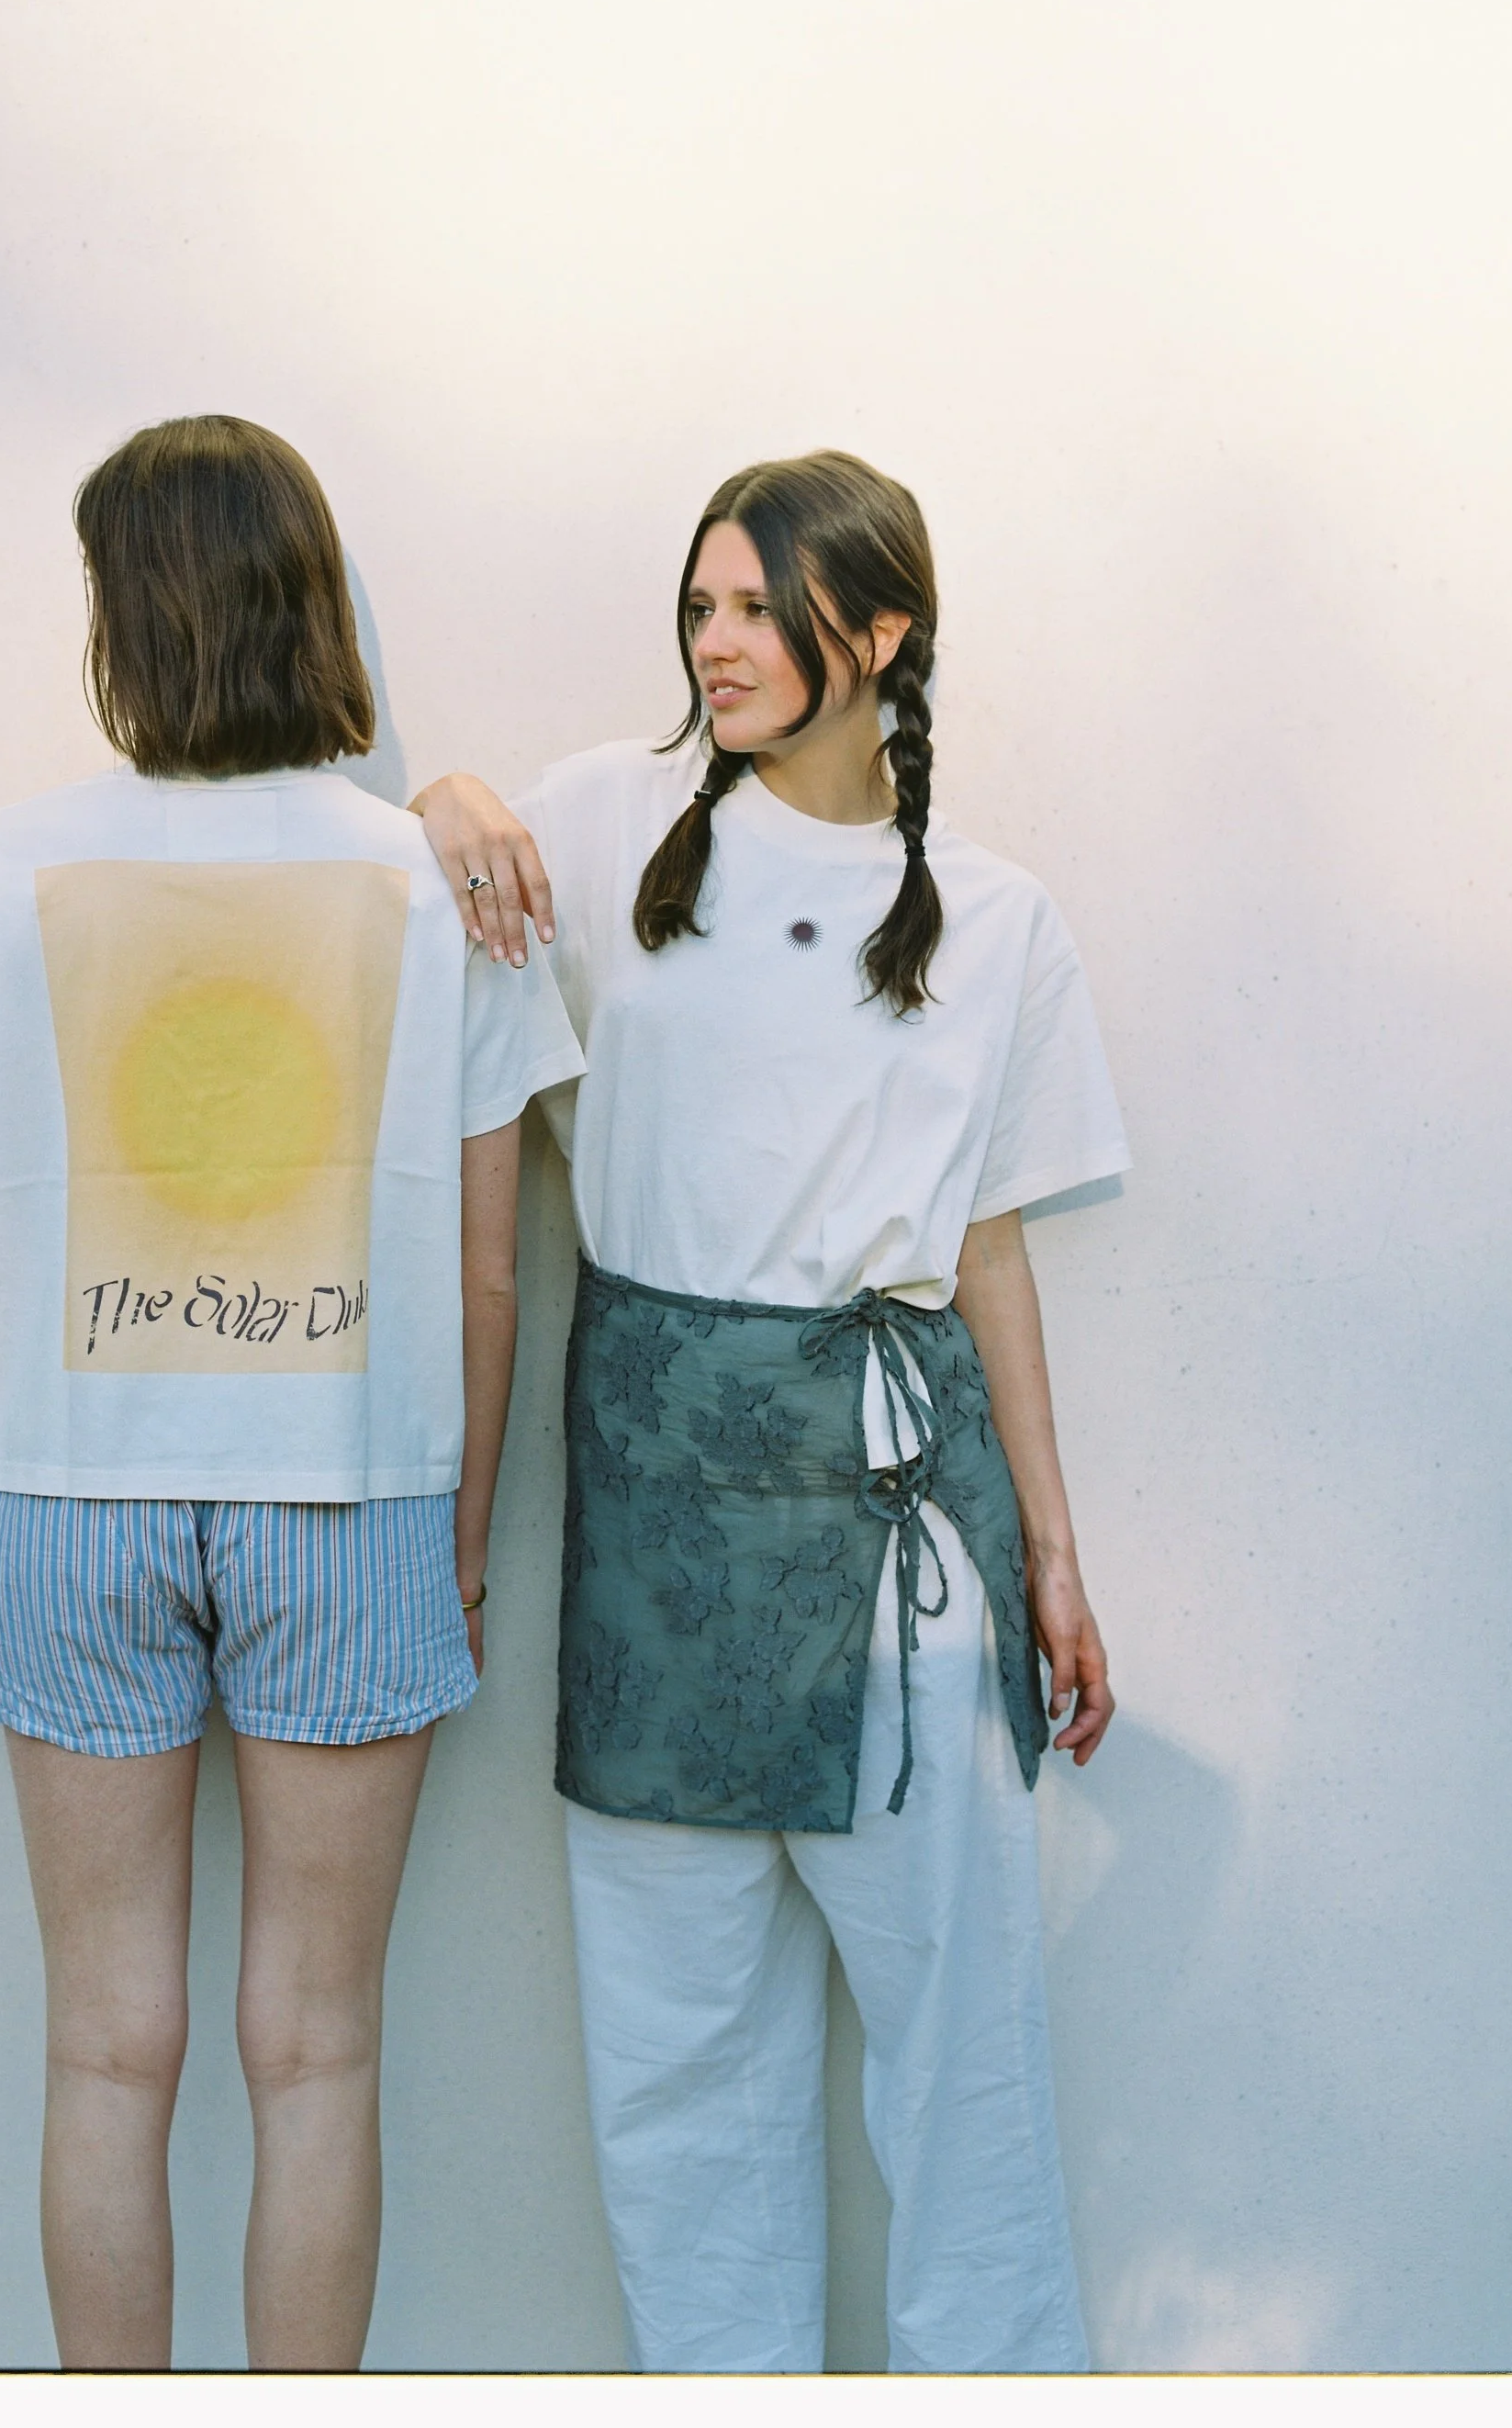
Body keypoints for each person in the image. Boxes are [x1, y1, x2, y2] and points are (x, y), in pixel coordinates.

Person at [0, 415, 583, 2372]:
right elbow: (490, 1269)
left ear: (128, 613)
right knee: (316, 2047)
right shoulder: (443, 887)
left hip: (60, 1492)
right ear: (303, 598)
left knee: (105, 2045)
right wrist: (459, 1534)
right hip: (354, 1496)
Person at [414, 449, 1127, 2375]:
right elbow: (419, 887)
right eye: (700, 606)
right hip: (653, 1552)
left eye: (758, 608)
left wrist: (1055, 1561)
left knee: (964, 2069)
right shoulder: (607, 819)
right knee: (679, 2086)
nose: (714, 643)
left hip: (896, 1543)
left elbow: (987, 1247)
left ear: (878, 633)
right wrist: (438, 793)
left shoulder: (993, 919)